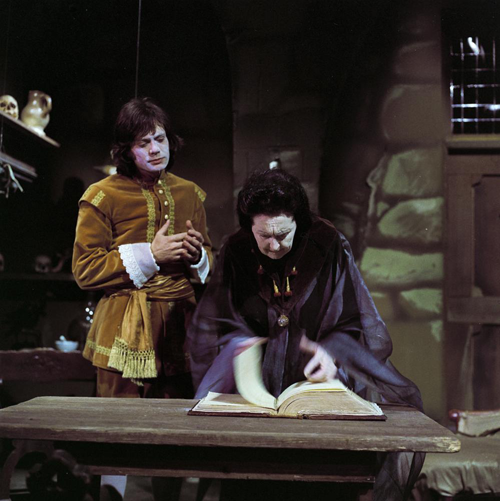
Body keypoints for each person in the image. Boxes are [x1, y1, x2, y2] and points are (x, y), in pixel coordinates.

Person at [188, 168, 424, 501]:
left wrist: (331, 353)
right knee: (253, 483)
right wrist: (240, 345)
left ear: (298, 221)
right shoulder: (237, 249)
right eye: (263, 235)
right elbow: (219, 317)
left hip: (315, 387)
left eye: (283, 234)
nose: (273, 246)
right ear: (249, 226)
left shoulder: (327, 244)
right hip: (255, 395)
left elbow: (352, 319)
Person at [72, 97, 212, 500]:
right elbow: (85, 269)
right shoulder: (102, 195)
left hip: (179, 327)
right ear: (126, 150)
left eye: (160, 139)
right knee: (116, 433)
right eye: (143, 143)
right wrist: (151, 254)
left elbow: (211, 257)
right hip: (123, 329)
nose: (155, 149)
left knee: (174, 434)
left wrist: (199, 257)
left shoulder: (190, 194)